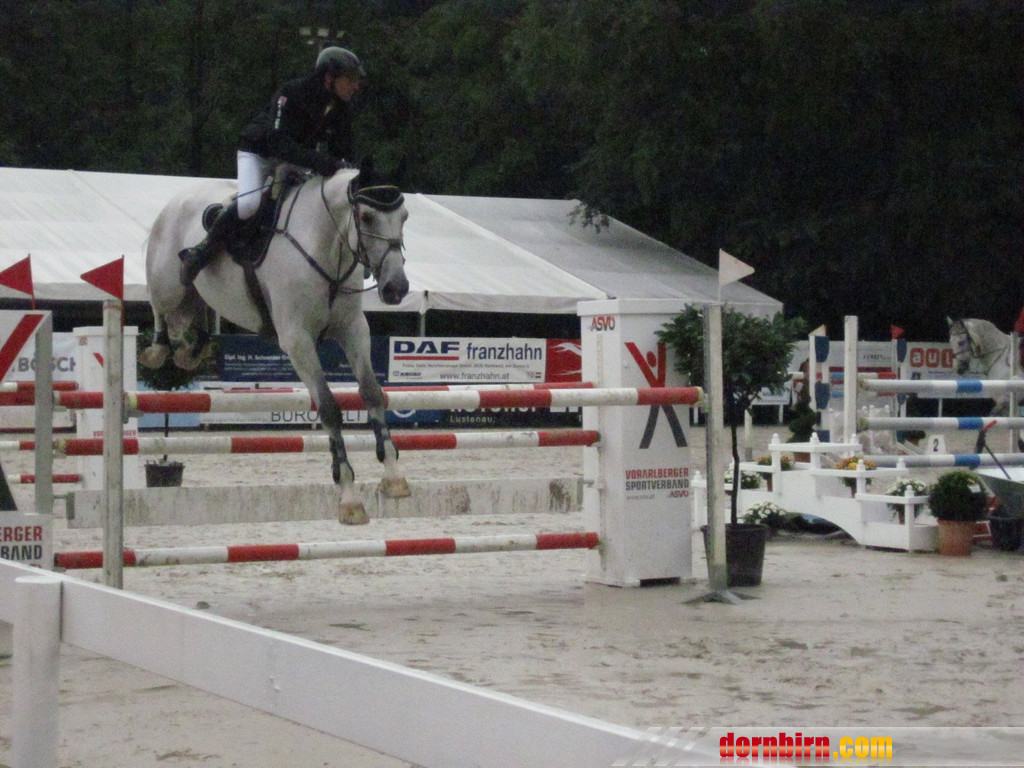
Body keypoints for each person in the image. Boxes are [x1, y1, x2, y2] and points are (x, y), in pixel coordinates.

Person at [179, 46, 365, 285]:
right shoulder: (292, 93)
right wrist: (324, 163)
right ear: (330, 78)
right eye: (350, 79)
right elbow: (279, 144)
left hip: (296, 161)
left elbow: (344, 152)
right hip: (260, 154)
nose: (355, 86)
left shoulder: (341, 108)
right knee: (249, 205)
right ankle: (201, 252)